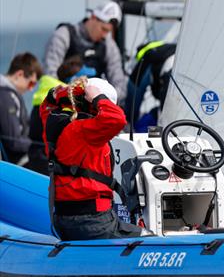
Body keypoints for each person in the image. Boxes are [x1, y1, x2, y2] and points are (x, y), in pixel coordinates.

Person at [41, 77, 146, 240]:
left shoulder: (56, 125)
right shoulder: (86, 131)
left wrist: (55, 95)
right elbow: (117, 119)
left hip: (63, 219)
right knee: (148, 237)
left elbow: (46, 107)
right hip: (93, 222)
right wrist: (99, 97)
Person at [42, 0, 127, 105]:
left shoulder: (109, 45)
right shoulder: (63, 35)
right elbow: (50, 76)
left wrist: (102, 100)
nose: (105, 35)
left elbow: (119, 85)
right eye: (103, 29)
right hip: (65, 106)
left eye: (108, 31)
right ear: (93, 17)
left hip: (94, 107)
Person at [26, 55, 87, 174]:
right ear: (75, 81)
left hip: (37, 162)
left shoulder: (48, 97)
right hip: (49, 170)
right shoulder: (65, 105)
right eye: (86, 80)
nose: (88, 85)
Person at [0, 53, 42, 164]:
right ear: (19, 74)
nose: (31, 89)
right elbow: (13, 141)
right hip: (17, 162)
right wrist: (37, 147)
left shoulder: (10, 95)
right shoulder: (5, 97)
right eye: (31, 83)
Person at [125, 40, 176, 131]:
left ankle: (129, 124)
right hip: (166, 68)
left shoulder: (147, 54)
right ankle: (129, 124)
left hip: (167, 70)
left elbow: (133, 89)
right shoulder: (150, 56)